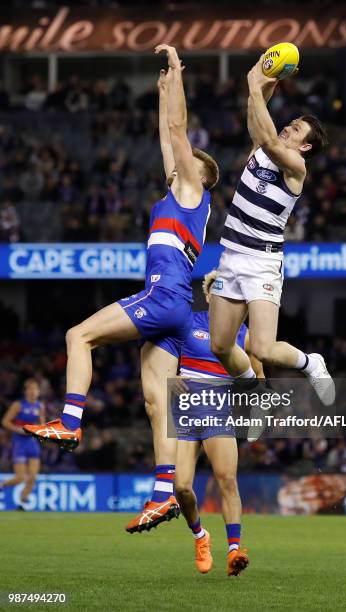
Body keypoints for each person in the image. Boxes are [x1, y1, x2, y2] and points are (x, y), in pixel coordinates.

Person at [24, 45, 219, 533]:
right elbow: (165, 136)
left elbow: (177, 133)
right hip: (179, 309)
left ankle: (69, 421)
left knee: (77, 336)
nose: (175, 161)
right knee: (157, 404)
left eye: (185, 160)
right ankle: (161, 494)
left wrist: (176, 77)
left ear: (199, 172)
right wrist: (160, 95)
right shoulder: (183, 195)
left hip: (164, 295)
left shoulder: (193, 186)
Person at [209, 58, 335, 405]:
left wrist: (255, 83)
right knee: (220, 345)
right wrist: (268, 78)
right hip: (231, 256)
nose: (288, 128)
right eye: (291, 123)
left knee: (262, 348)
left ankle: (311, 363)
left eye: (296, 130)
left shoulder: (296, 166)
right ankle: (254, 389)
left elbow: (266, 135)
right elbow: (257, 114)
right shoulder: (262, 149)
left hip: (262, 263)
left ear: (305, 146)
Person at [173, 270, 264, 576]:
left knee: (227, 480)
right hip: (184, 411)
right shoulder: (187, 322)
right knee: (181, 487)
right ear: (209, 295)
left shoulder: (242, 333)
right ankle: (200, 536)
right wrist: (169, 381)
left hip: (216, 411)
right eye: (218, 291)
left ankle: (234, 549)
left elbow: (259, 379)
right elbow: (159, 358)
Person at [1, 379, 44, 510]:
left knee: (33, 477)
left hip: (32, 443)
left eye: (35, 388)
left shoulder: (40, 407)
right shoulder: (18, 405)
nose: (33, 391)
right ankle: (2, 485)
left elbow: (42, 425)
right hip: (19, 443)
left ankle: (22, 502)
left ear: (38, 391)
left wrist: (38, 430)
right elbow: (5, 422)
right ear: (25, 391)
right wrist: (19, 430)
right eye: (30, 388)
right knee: (20, 478)